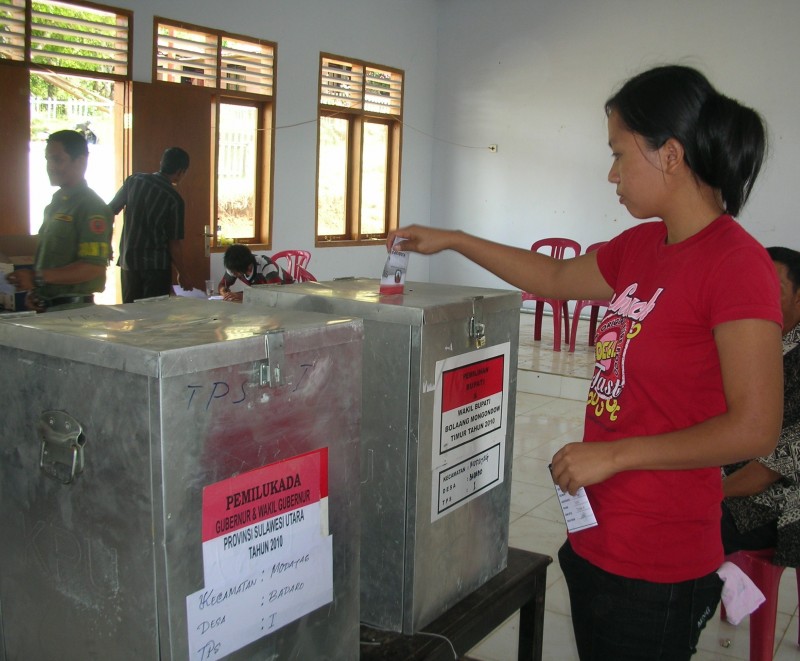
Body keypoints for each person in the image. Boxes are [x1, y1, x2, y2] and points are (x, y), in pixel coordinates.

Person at [386, 65, 784, 660]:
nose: (612, 174)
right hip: (599, 532)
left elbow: (756, 427)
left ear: (670, 155)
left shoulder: (736, 264)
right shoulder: (642, 247)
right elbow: (552, 277)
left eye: (620, 154)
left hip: (660, 555)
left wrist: (614, 454)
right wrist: (456, 239)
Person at [721, 246, 800, 567]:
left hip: (773, 502)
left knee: (673, 528)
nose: (758, 296)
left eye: (773, 288)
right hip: (734, 478)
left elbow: (764, 474)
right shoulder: (758, 341)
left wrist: (701, 492)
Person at [7, 130, 112, 312]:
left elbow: (93, 267)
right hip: (49, 308)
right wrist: (38, 292)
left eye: (57, 160)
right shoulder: (56, 204)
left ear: (79, 162)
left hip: (74, 312)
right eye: (47, 159)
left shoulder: (90, 207)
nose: (50, 167)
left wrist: (36, 277)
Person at [109, 147, 190, 303]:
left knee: (132, 313)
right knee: (154, 320)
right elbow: (174, 243)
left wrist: (106, 243)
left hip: (129, 262)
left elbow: (109, 211)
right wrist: (183, 274)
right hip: (156, 269)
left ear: (161, 163)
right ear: (180, 172)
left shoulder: (134, 181)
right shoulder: (174, 199)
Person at [217, 243, 294, 301]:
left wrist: (241, 296)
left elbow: (274, 294)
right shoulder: (234, 267)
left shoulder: (267, 267)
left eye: (236, 272)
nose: (234, 274)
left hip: (288, 294)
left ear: (248, 266)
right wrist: (223, 291)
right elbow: (222, 284)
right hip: (264, 295)